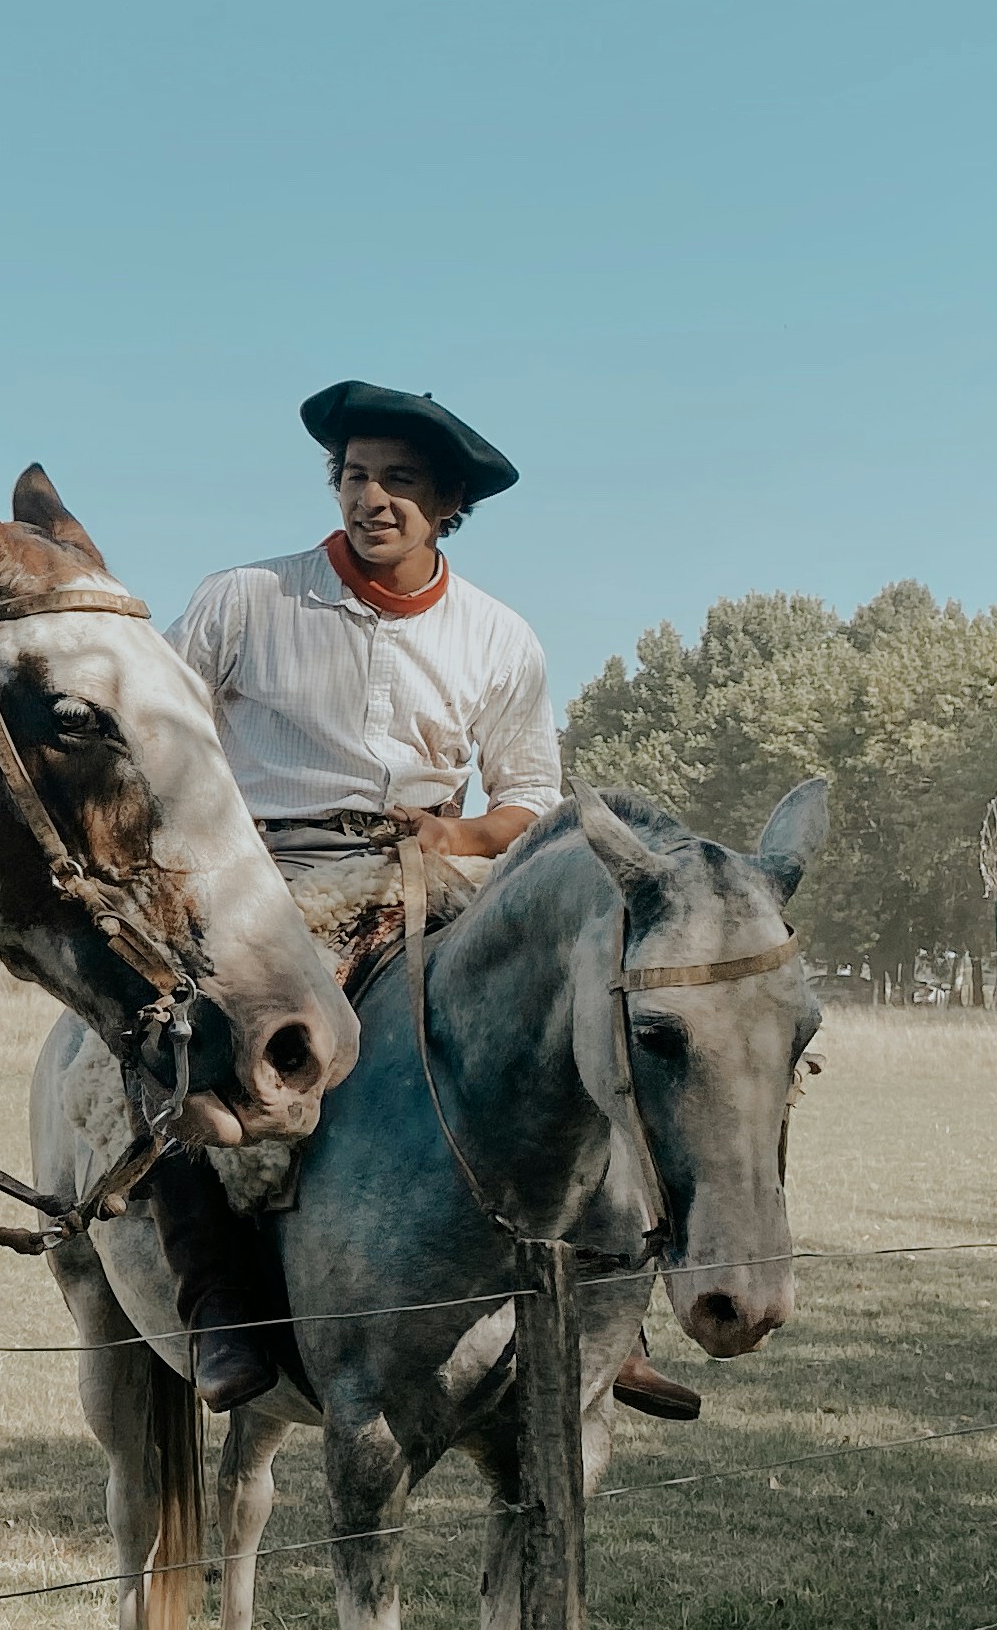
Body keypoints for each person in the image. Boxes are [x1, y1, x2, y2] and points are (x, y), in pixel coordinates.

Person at [150, 383, 700, 1417]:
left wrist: (458, 834)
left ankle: (607, 1309)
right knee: (179, 1041)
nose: (373, 499)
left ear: (448, 503)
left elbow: (530, 801)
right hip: (272, 878)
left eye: (401, 483)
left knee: (589, 1023)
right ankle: (215, 1301)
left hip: (436, 876)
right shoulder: (245, 599)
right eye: (357, 475)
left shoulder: (499, 638)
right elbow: (163, 735)